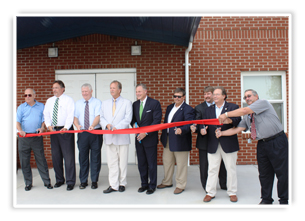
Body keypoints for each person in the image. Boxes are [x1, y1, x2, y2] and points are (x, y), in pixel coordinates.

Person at [217, 89, 288, 204]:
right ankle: (266, 199)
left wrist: (226, 114)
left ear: (256, 96)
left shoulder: (263, 103)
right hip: (262, 144)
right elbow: (237, 129)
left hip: (277, 141)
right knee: (264, 173)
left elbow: (244, 110)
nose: (247, 98)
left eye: (249, 96)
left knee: (282, 172)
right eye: (245, 97)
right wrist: (222, 133)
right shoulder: (248, 116)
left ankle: (284, 200)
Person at [202, 86, 241, 203]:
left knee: (231, 168)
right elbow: (204, 123)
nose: (214, 96)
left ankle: (232, 192)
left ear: (224, 96)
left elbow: (237, 120)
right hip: (213, 143)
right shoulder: (208, 110)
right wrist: (202, 129)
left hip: (228, 143)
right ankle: (210, 192)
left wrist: (227, 119)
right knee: (212, 169)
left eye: (217, 94)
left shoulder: (233, 107)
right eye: (214, 94)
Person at [158, 88, 195, 194]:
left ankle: (180, 185)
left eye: (179, 96)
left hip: (181, 140)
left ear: (184, 97)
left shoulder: (188, 109)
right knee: (167, 162)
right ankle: (167, 182)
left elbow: (189, 124)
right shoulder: (169, 107)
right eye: (175, 96)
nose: (177, 98)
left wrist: (181, 130)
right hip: (168, 139)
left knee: (181, 164)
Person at [190, 86, 227, 192]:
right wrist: (200, 129)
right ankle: (207, 186)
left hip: (220, 139)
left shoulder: (221, 106)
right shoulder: (199, 108)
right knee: (204, 165)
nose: (206, 96)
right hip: (204, 140)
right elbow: (197, 122)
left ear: (214, 95)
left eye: (209, 94)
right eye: (205, 94)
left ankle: (223, 184)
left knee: (222, 163)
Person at [16, 88, 53, 191]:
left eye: (29, 95)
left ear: (34, 96)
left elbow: (44, 120)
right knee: (24, 162)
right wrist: (20, 130)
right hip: (24, 137)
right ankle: (28, 183)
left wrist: (42, 128)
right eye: (25, 95)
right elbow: (17, 121)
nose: (27, 97)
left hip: (36, 137)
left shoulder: (41, 106)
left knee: (41, 160)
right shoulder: (21, 107)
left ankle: (47, 182)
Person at [100, 80, 132, 193]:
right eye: (110, 88)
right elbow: (101, 118)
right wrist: (107, 125)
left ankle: (122, 183)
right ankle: (113, 185)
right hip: (109, 137)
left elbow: (128, 119)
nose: (111, 90)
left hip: (122, 137)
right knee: (112, 163)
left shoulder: (127, 102)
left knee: (122, 162)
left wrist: (117, 127)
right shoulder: (104, 103)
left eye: (114, 88)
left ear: (119, 89)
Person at [43, 80, 76, 191]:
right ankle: (59, 180)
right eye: (53, 88)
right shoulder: (49, 101)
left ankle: (70, 181)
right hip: (54, 130)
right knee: (56, 156)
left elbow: (70, 115)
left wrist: (66, 127)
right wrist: (48, 125)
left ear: (63, 88)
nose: (54, 90)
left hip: (65, 130)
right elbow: (46, 114)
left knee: (69, 157)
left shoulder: (68, 100)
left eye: (56, 87)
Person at [131, 83, 162, 194]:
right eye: (136, 92)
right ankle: (144, 184)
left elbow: (156, 121)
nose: (137, 94)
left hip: (150, 139)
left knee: (151, 164)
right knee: (141, 163)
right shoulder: (134, 104)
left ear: (145, 91)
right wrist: (134, 126)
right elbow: (133, 119)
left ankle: (152, 185)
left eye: (139, 91)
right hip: (138, 139)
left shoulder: (154, 103)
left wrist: (146, 133)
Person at [74, 83, 103, 190]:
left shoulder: (97, 102)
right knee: (83, 158)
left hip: (95, 132)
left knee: (95, 158)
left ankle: (94, 181)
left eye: (86, 91)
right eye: (83, 91)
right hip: (82, 133)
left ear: (91, 91)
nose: (84, 93)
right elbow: (75, 117)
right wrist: (77, 125)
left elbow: (98, 116)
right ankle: (83, 181)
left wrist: (92, 125)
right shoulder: (78, 103)